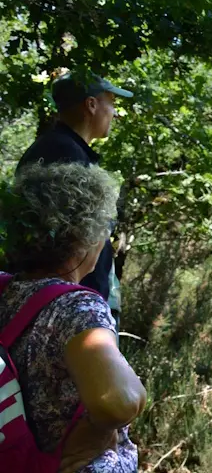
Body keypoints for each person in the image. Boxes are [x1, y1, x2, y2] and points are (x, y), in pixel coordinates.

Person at [0, 163, 147, 471]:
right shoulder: (78, 309)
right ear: (86, 239)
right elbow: (120, 400)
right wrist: (92, 438)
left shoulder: (6, 292)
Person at [17, 71, 133, 336]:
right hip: (71, 313)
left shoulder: (64, 150)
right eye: (111, 103)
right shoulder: (63, 155)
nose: (114, 113)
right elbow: (58, 245)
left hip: (74, 305)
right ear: (91, 105)